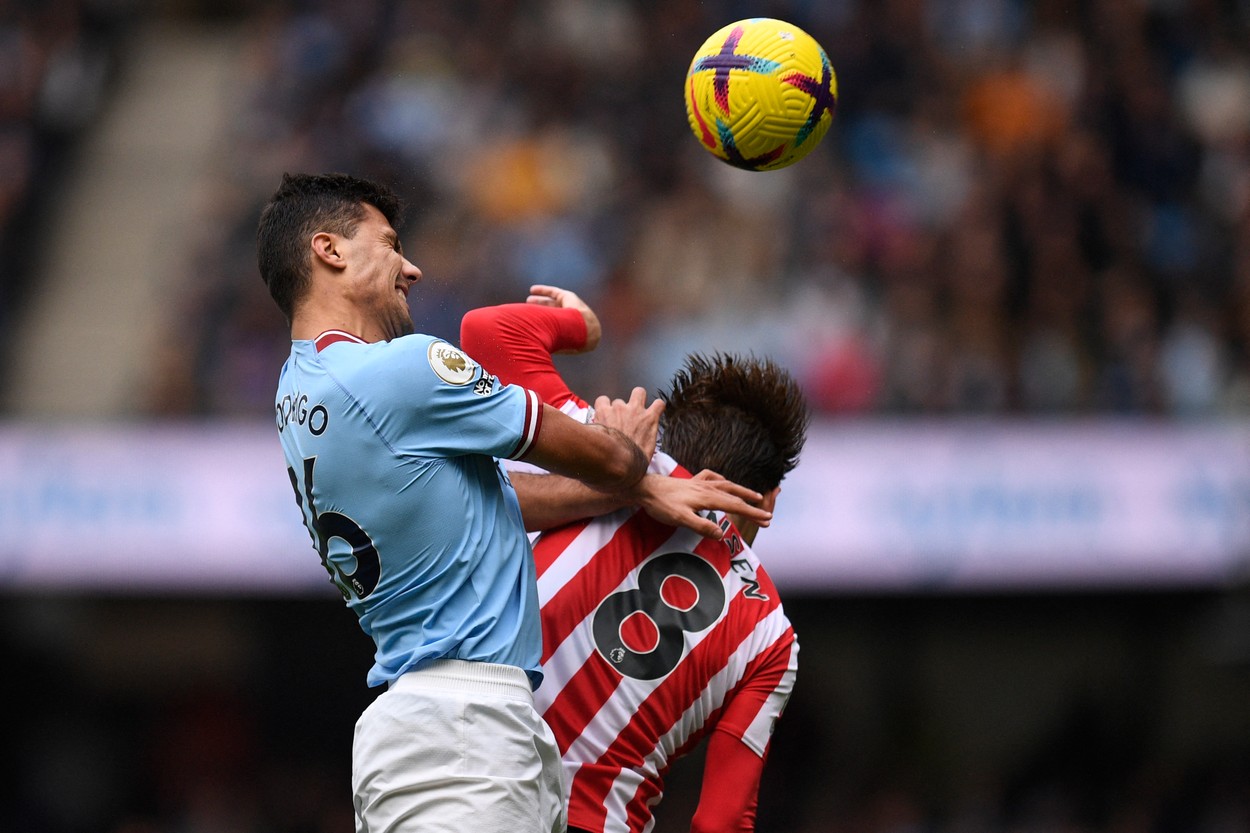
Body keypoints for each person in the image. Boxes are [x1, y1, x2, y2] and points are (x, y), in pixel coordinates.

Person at [257, 172, 692, 833]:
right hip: (461, 729)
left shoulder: (302, 389)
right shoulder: (403, 369)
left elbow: (489, 495)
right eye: (391, 243)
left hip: (436, 726)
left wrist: (632, 486)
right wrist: (626, 442)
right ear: (330, 250)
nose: (412, 267)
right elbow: (603, 453)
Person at [460, 284, 809, 833]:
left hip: (475, 785)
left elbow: (489, 331)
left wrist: (583, 325)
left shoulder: (608, 456)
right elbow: (722, 822)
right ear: (767, 501)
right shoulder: (772, 639)